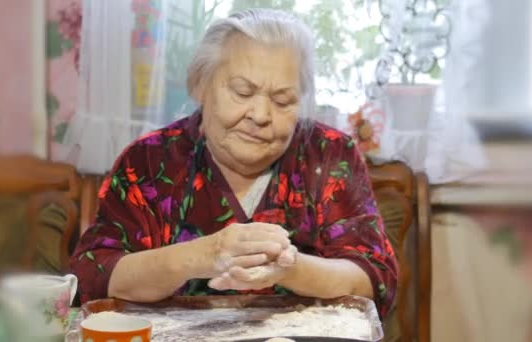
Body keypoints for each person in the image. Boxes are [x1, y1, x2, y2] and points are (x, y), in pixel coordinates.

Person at [70, 8, 397, 318]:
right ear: (201, 85)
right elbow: (94, 274)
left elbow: (376, 279)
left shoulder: (329, 155)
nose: (260, 115)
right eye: (242, 92)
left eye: (282, 100)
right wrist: (203, 255)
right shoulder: (149, 161)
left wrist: (291, 269)